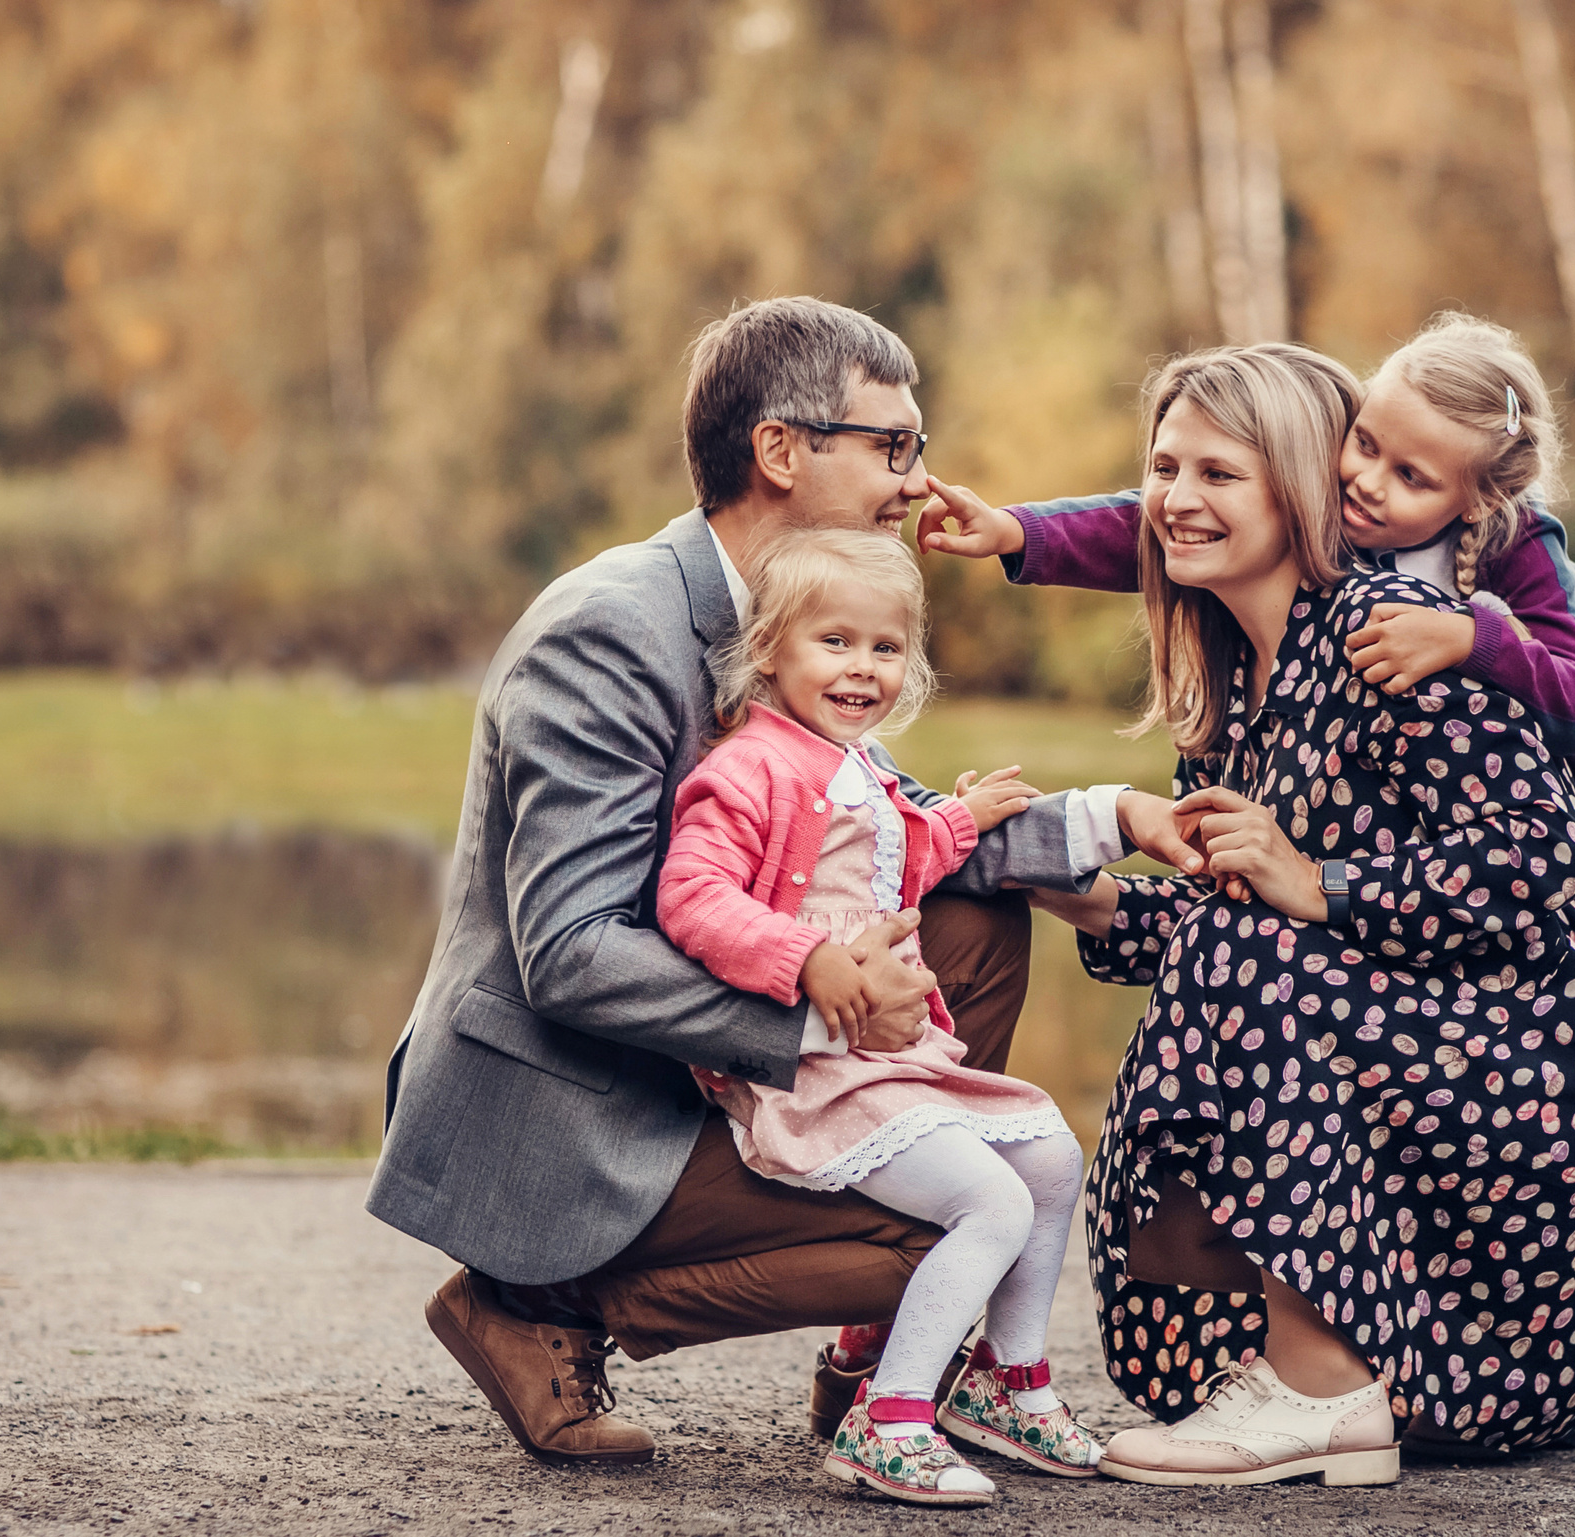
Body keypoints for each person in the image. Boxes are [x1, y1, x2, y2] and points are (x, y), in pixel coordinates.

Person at [922, 313, 1575, 1468]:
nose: (1174, 496)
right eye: (1164, 466)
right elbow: (1144, 526)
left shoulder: (1426, 624)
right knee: (1236, 946)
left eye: (1216, 472)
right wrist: (1064, 882)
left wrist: (1316, 876)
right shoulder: (1250, 662)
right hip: (1474, 987)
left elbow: (1543, 837)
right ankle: (1269, 1371)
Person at [364, 295, 1191, 1467]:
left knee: (971, 922)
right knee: (968, 1214)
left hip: (696, 1053)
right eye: (892, 446)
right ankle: (536, 1300)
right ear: (780, 451)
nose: (915, 481)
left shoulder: (806, 616)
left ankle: (872, 1359)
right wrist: (819, 1000)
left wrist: (1119, 828)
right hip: (567, 1102)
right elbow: (570, 951)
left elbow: (893, 835)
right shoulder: (607, 634)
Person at [656, 529, 1102, 1505]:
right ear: (769, 648)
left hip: (887, 1058)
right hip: (808, 1066)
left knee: (1054, 1159)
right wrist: (807, 959)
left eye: (884, 647)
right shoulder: (747, 769)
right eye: (835, 642)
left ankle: (1007, 1380)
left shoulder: (847, 761)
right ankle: (889, 1415)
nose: (862, 667)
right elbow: (691, 895)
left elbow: (894, 859)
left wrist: (966, 819)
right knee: (993, 1202)